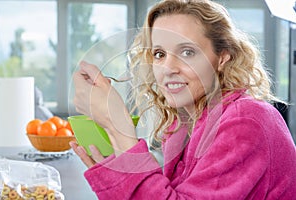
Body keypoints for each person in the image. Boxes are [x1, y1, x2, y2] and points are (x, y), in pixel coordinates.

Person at [70, 0, 296, 199]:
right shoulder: (182, 125)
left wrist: (118, 126)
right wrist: (119, 172)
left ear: (222, 57)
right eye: (159, 54)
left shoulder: (246, 119)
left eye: (187, 52)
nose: (167, 68)